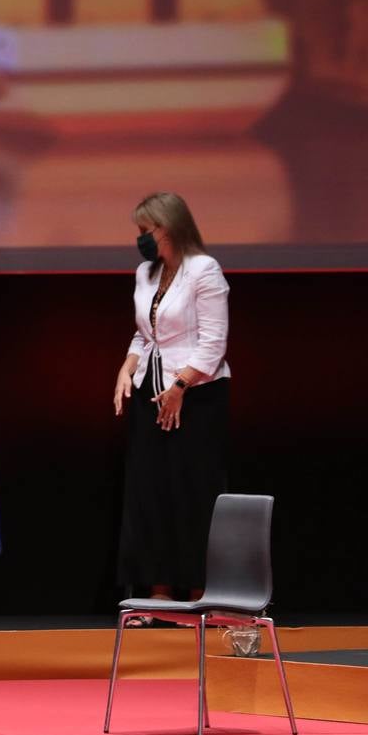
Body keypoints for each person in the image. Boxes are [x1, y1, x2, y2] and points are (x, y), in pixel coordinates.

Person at [112, 192, 230, 620]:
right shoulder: (146, 272)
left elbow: (213, 343)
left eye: (146, 231)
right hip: (152, 394)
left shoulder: (205, 270)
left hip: (197, 398)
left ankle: (199, 592)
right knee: (151, 491)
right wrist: (126, 370)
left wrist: (181, 386)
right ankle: (159, 593)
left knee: (192, 492)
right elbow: (145, 336)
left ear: (170, 227)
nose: (140, 239)